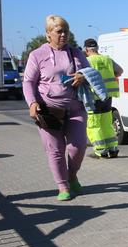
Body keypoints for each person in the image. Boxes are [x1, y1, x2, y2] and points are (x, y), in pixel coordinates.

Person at [23, 15, 90, 201]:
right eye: (59, 31)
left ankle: (72, 175)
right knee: (55, 150)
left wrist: (83, 77)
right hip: (48, 110)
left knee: (78, 147)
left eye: (65, 31)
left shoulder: (76, 53)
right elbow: (28, 82)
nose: (63, 35)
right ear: (48, 34)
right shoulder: (37, 55)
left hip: (76, 108)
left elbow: (90, 72)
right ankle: (62, 186)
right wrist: (32, 103)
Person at [83, 38, 123, 158]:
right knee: (106, 122)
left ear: (86, 50)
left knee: (94, 124)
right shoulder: (107, 59)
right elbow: (120, 71)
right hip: (108, 96)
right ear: (97, 48)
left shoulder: (86, 61)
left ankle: (101, 150)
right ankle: (113, 148)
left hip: (93, 97)